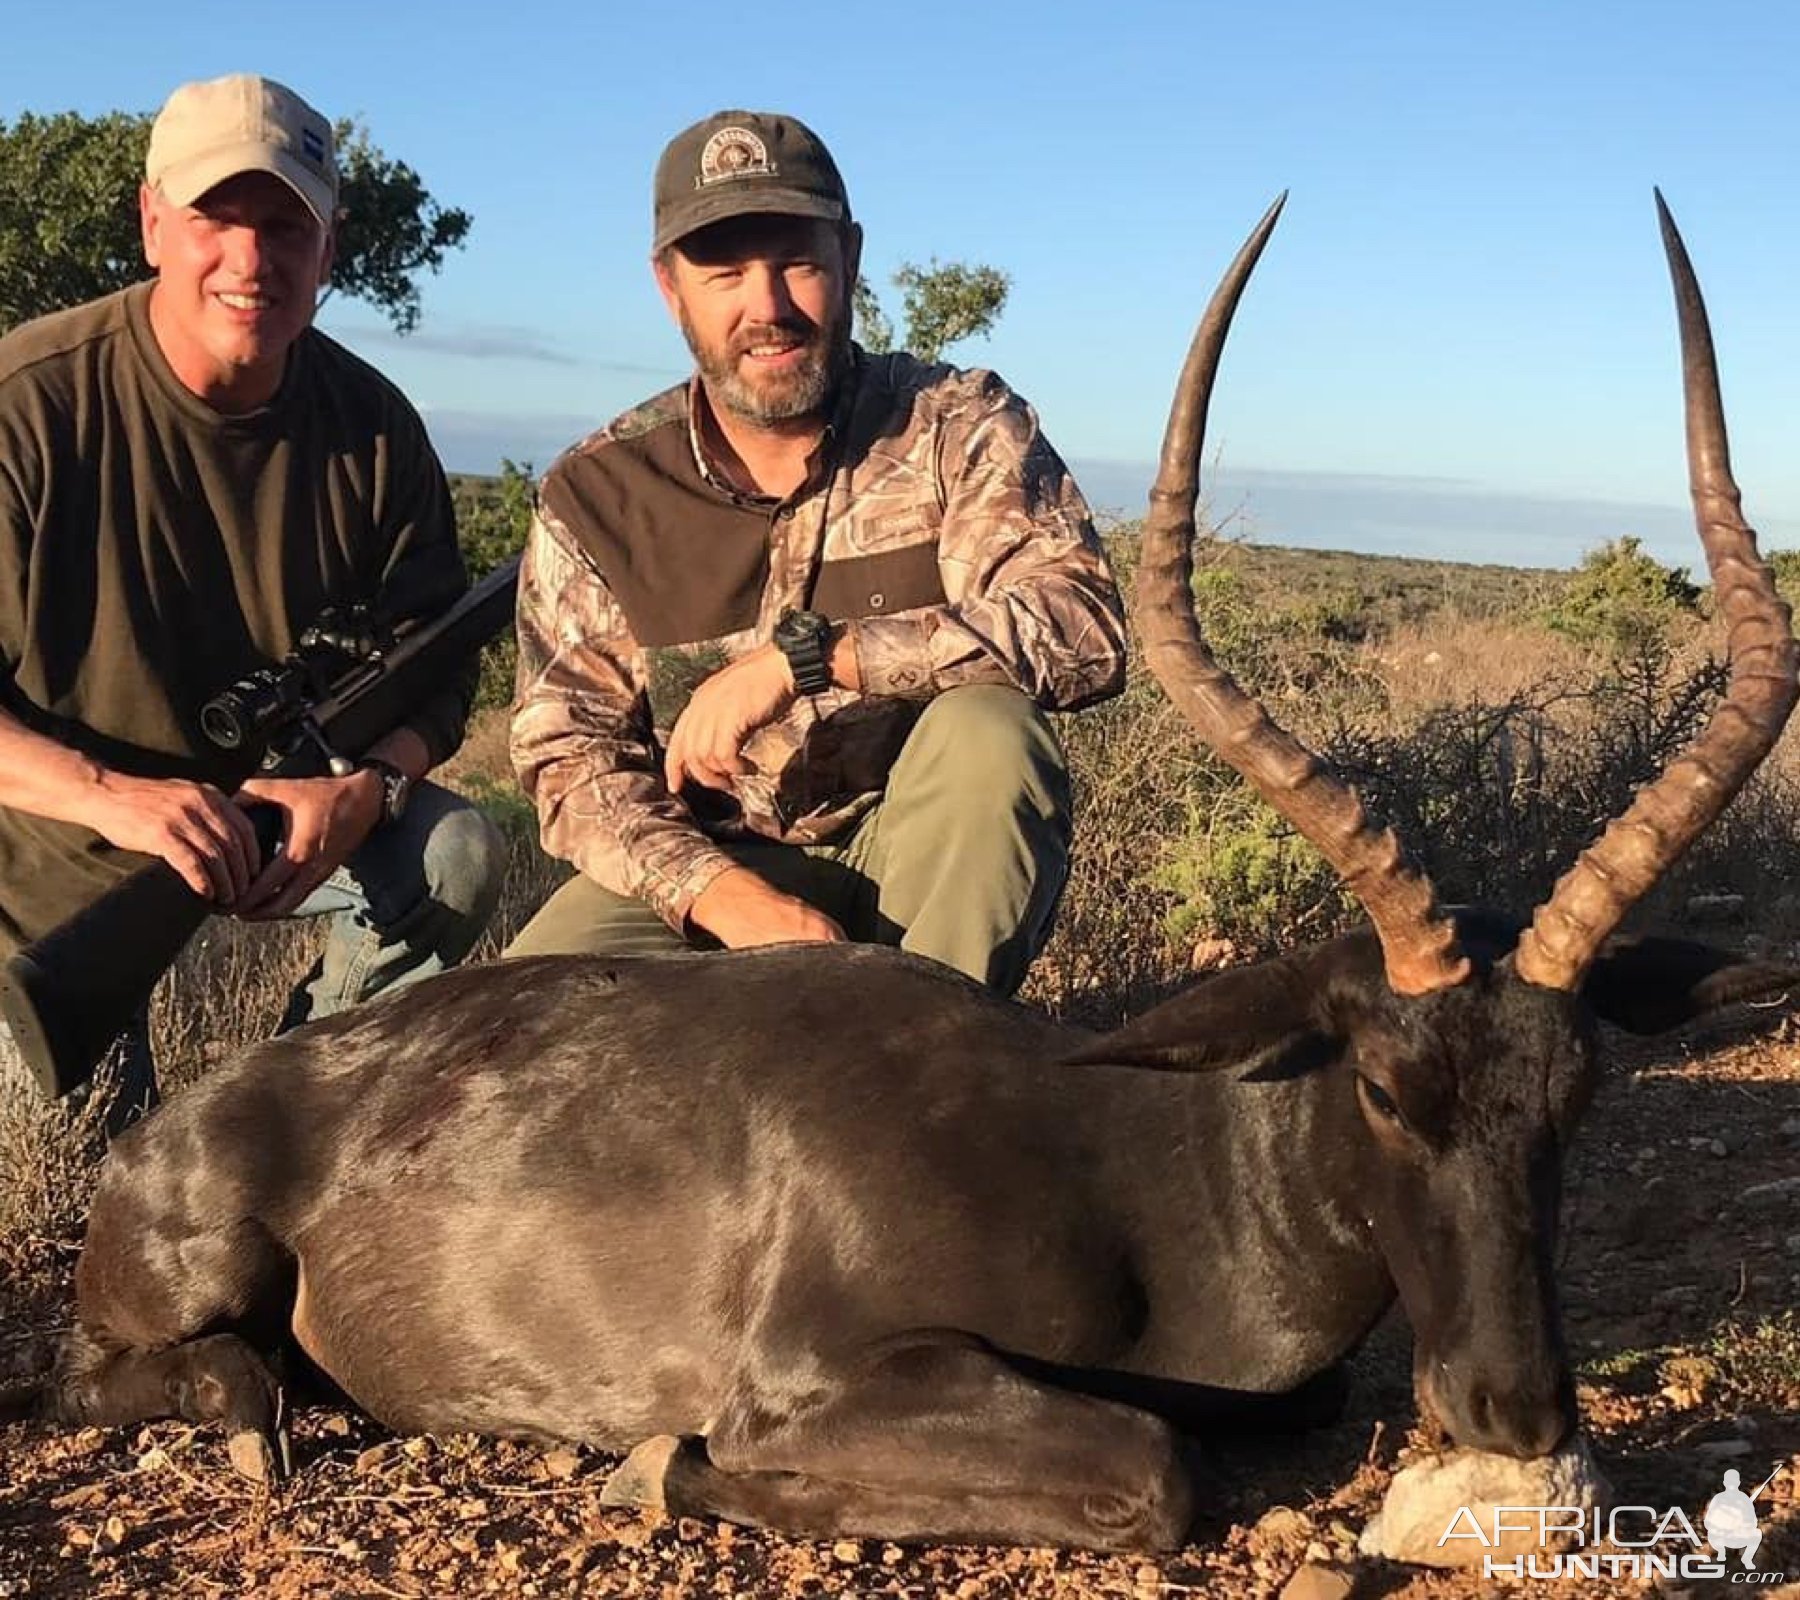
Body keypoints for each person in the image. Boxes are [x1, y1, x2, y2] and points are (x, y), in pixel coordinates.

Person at [507, 109, 1125, 994]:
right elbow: (571, 759)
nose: (768, 308)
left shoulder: (956, 425)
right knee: (521, 1013)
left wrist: (811, 660)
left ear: (851, 258)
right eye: (724, 272)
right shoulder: (598, 493)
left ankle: (917, 1081)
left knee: (991, 734)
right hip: (713, 878)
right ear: (669, 287)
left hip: (924, 863)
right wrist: (723, 896)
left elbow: (1081, 630)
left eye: (797, 262)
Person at [0, 74, 504, 1132]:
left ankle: (285, 1114)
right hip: (50, 866)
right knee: (72, 1158)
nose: (251, 258)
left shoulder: (376, 425)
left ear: (330, 247)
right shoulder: (28, 407)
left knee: (453, 854)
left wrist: (371, 780)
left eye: (286, 224)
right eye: (214, 218)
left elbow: (440, 659)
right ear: (150, 221)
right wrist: (109, 794)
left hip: (280, 825)